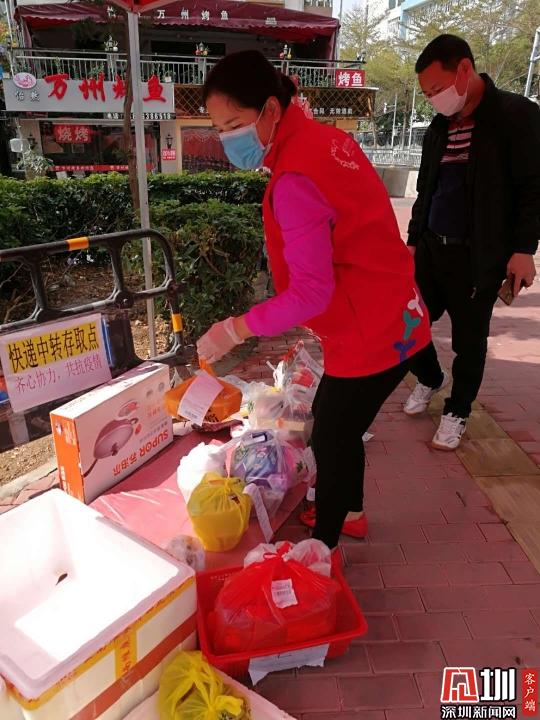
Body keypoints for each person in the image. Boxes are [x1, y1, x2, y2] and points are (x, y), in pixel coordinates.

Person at [196, 50, 431, 549]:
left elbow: (309, 292)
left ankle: (322, 551)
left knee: (331, 438)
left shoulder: (295, 178)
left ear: (270, 109)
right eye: (219, 129)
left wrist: (233, 329)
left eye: (234, 125)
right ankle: (351, 513)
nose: (227, 140)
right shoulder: (327, 140)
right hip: (395, 310)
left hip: (370, 331)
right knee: (336, 424)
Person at [405, 34, 539, 450]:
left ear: (464, 69)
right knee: (406, 324)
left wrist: (524, 249)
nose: (434, 100)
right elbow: (426, 188)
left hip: (478, 256)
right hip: (431, 249)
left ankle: (457, 410)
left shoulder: (516, 116)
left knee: (469, 340)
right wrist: (413, 242)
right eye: (428, 94)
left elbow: (533, 189)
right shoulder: (439, 127)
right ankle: (431, 377)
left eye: (437, 89)